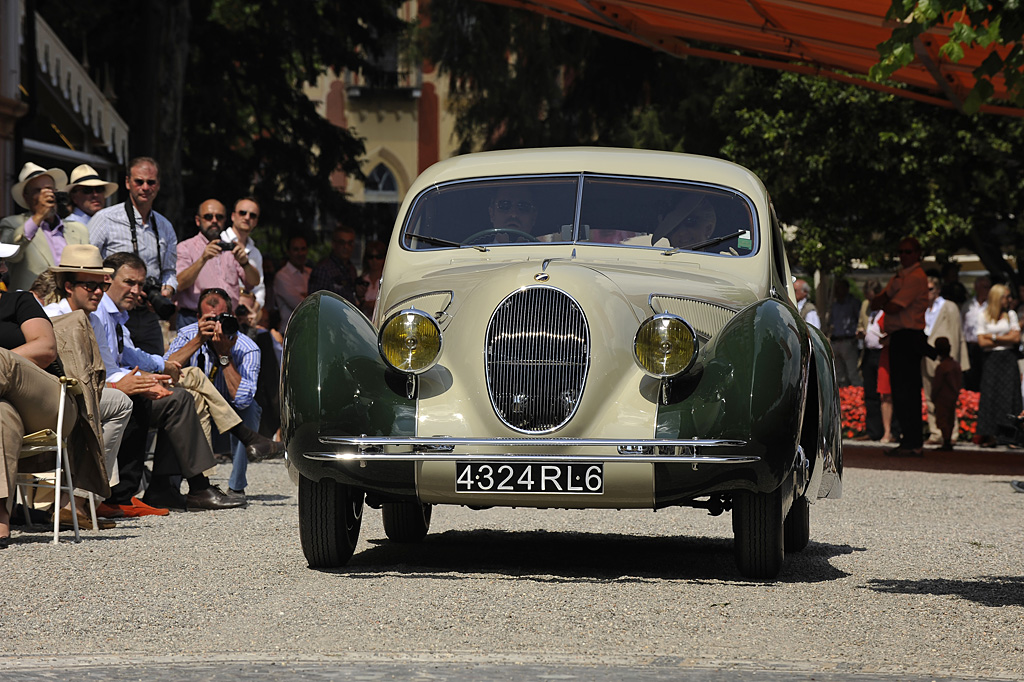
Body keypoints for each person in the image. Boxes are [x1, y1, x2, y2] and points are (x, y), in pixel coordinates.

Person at [95, 252, 245, 512]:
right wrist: (149, 378)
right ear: (108, 279)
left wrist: (162, 368)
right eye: (129, 282)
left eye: (140, 284)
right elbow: (108, 370)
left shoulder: (116, 315)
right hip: (106, 392)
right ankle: (193, 485)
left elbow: (131, 355)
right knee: (179, 395)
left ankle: (168, 488)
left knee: (179, 394)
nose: (136, 290)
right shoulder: (100, 313)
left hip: (122, 386)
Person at [1, 239, 109, 544]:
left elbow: (45, 349)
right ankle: (2, 519)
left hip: (45, 401)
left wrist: (6, 357)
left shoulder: (18, 302)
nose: (4, 267)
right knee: (2, 416)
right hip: (9, 408)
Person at [41, 245, 135, 517]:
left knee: (124, 400)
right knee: (120, 403)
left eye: (101, 287)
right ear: (68, 286)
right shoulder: (49, 316)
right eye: (89, 286)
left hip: (84, 396)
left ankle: (82, 500)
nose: (98, 292)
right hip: (55, 397)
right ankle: (81, 499)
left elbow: (107, 368)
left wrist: (138, 381)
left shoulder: (93, 319)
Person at [165, 288, 281, 502]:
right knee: (178, 398)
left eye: (222, 318)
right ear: (199, 318)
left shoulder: (247, 347)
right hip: (192, 409)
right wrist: (198, 340)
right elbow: (163, 371)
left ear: (233, 317)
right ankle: (175, 485)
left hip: (230, 413)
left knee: (252, 409)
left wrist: (224, 356)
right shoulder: (188, 334)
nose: (217, 325)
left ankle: (236, 487)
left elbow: (244, 399)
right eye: (210, 319)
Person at [88, 157, 177, 355]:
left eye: (151, 182)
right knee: (112, 366)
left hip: (148, 315)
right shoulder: (105, 219)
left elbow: (170, 271)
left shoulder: (165, 226)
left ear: (158, 185)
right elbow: (87, 266)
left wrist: (167, 291)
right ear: (128, 182)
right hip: (112, 311)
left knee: (155, 370)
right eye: (139, 181)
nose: (145, 187)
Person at [872, 237, 932, 456]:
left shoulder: (916, 277)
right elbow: (877, 302)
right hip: (899, 335)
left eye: (908, 252)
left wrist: (887, 300)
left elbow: (894, 305)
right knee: (900, 390)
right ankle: (909, 439)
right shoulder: (901, 276)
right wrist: (887, 299)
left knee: (908, 390)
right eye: (901, 252)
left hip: (909, 335)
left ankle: (913, 440)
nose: (903, 255)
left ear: (917, 254)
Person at [0, 162, 90, 293]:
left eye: (49, 189)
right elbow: (12, 256)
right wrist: (39, 215)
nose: (46, 195)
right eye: (38, 191)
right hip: (32, 307)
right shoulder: (12, 224)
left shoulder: (78, 229)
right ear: (26, 197)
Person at [175, 199, 260, 327]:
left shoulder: (231, 248)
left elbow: (254, 282)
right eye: (208, 217)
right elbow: (179, 284)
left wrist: (245, 263)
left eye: (219, 217)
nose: (214, 220)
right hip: (194, 319)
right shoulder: (185, 247)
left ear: (224, 221)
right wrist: (202, 260)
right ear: (198, 221)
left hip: (228, 320)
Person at [921, 276, 970, 446]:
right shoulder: (920, 307)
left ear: (938, 290)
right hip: (927, 358)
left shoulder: (949, 307)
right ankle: (935, 432)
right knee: (930, 397)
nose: (926, 293)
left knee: (948, 398)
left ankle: (951, 433)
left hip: (945, 359)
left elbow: (955, 335)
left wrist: (951, 361)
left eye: (930, 289)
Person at [974, 284, 1021, 447]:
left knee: (1009, 396)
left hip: (1008, 358)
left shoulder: (1011, 315)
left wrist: (992, 336)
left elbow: (1015, 339)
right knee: (991, 395)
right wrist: (1003, 337)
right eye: (1006, 297)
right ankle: (991, 435)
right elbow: (981, 341)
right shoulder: (983, 315)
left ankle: (1010, 436)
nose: (1009, 300)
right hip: (991, 360)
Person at [222, 198, 266, 308]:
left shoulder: (255, 252)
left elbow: (259, 288)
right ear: (233, 216)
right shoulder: (219, 242)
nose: (247, 217)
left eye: (252, 215)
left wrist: (254, 312)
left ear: (255, 222)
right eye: (242, 213)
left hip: (246, 314)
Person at [858, 280, 885, 440]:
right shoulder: (865, 306)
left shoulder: (887, 307)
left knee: (886, 394)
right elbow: (861, 323)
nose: (870, 302)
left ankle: (891, 431)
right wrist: (860, 331)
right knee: (870, 392)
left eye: (872, 298)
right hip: (868, 352)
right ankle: (873, 431)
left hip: (883, 353)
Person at [308, 225, 358, 303]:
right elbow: (315, 303)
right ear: (333, 244)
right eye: (342, 242)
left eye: (350, 243)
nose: (346, 247)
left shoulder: (351, 269)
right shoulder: (323, 269)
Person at [274, 234, 311, 332]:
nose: (300, 253)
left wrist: (305, 296)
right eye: (296, 249)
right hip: (290, 333)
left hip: (310, 331)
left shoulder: (311, 273)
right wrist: (310, 297)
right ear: (288, 252)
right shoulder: (282, 276)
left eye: (303, 249)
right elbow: (300, 306)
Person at [930, 337, 962, 451]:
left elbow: (937, 385)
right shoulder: (955, 365)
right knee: (949, 419)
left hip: (943, 398)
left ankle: (946, 441)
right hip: (951, 397)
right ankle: (947, 440)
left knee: (943, 420)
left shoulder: (942, 367)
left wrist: (933, 397)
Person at [961, 274, 991, 392]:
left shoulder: (991, 306)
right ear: (976, 288)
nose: (987, 290)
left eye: (988, 287)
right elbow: (962, 324)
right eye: (984, 287)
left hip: (986, 346)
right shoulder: (968, 305)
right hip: (971, 346)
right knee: (971, 377)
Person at [829, 278, 861, 387]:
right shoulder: (834, 305)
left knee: (853, 372)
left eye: (840, 288)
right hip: (836, 341)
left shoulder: (853, 303)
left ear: (846, 289)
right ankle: (844, 398)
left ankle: (858, 396)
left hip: (849, 341)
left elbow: (859, 321)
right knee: (839, 374)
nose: (838, 291)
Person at [357, 240, 387, 318]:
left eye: (378, 257)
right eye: (371, 257)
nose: (374, 260)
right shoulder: (360, 281)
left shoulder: (388, 281)